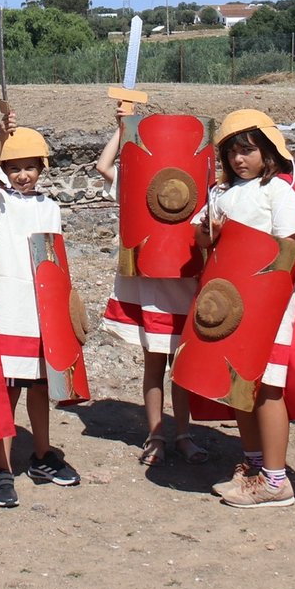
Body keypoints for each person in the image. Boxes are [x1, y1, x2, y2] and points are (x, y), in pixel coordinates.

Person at [192, 111, 295, 509]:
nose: (239, 159)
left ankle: (276, 480)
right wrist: (210, 231)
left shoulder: (278, 191)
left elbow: (290, 247)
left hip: (268, 305)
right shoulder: (220, 194)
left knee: (269, 388)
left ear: (267, 151)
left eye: (248, 149)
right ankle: (255, 464)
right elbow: (201, 237)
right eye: (231, 152)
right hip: (231, 306)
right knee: (238, 385)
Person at [0, 108, 81, 507]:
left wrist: (68, 309)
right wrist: (0, 140)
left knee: (40, 386)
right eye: (14, 168)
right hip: (10, 307)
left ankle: (41, 455)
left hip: (45, 312)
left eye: (29, 167)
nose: (23, 175)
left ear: (41, 168)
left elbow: (55, 262)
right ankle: (2, 469)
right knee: (8, 392)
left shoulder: (50, 208)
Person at [96, 104, 208, 466]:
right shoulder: (135, 184)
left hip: (186, 280)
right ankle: (156, 434)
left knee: (185, 366)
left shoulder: (204, 192)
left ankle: (183, 434)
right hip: (152, 285)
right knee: (154, 365)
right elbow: (103, 167)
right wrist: (123, 129)